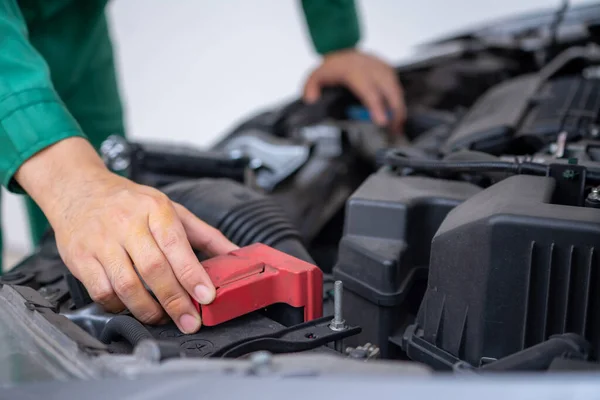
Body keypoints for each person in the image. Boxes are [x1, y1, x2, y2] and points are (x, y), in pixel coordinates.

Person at [0, 0, 405, 334]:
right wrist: (76, 187)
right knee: (80, 193)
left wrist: (339, 41)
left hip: (75, 20)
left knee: (107, 233)